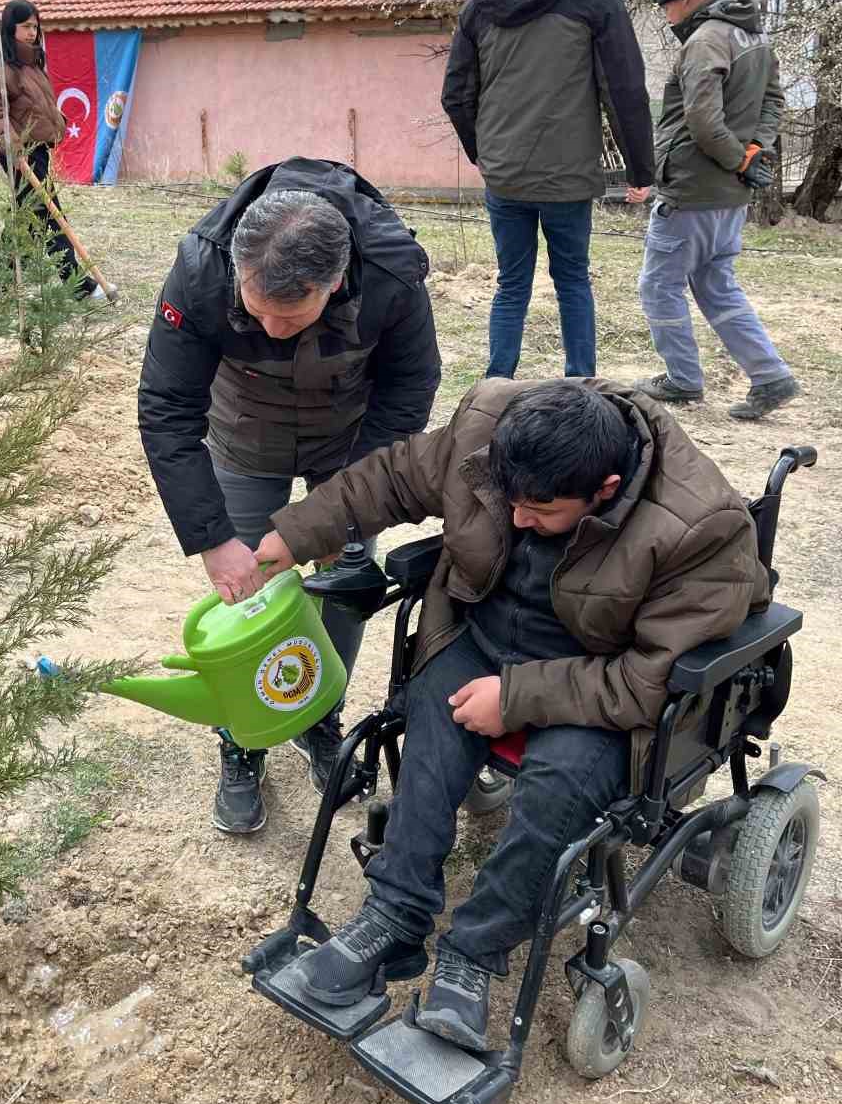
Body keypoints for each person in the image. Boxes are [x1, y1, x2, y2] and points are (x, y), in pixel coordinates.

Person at [253, 378, 764, 1051]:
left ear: (605, 489)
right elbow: (390, 479)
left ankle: (474, 954)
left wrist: (518, 697)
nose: (520, 520)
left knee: (558, 784)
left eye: (542, 511)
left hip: (599, 679)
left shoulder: (699, 525)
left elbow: (649, 681)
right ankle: (396, 912)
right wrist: (289, 536)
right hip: (483, 634)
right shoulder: (488, 424)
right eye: (510, 502)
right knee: (433, 718)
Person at [138, 158, 441, 835]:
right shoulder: (202, 266)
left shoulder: (391, 272)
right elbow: (166, 407)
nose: (273, 330)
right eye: (257, 311)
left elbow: (410, 387)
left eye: (292, 314)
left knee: (342, 579)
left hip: (349, 438)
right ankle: (241, 742)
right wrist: (214, 538)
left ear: (334, 282)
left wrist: (350, 505)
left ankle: (316, 716)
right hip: (245, 435)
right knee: (248, 594)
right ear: (237, 272)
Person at [441, 0, 654, 380]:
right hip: (570, 175)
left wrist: (485, 154)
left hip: (505, 176)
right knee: (573, 281)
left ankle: (497, 384)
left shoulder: (480, 4)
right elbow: (623, 90)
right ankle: (580, 383)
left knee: (511, 284)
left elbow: (455, 95)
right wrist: (641, 168)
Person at [635, 0, 798, 422]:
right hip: (730, 191)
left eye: (666, 8)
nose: (666, 18)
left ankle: (682, 380)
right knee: (716, 284)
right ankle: (770, 376)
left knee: (658, 286)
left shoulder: (706, 40)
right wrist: (751, 155)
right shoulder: (754, 36)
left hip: (692, 186)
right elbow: (774, 101)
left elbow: (702, 121)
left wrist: (736, 158)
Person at [0, 0, 101, 299]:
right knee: (51, 216)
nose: (32, 32)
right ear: (10, 28)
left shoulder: (30, 63)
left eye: (35, 26)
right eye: (25, 26)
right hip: (21, 153)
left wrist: (55, 121)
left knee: (28, 219)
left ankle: (2, 283)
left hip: (37, 150)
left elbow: (34, 106)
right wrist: (15, 150)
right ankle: (79, 286)